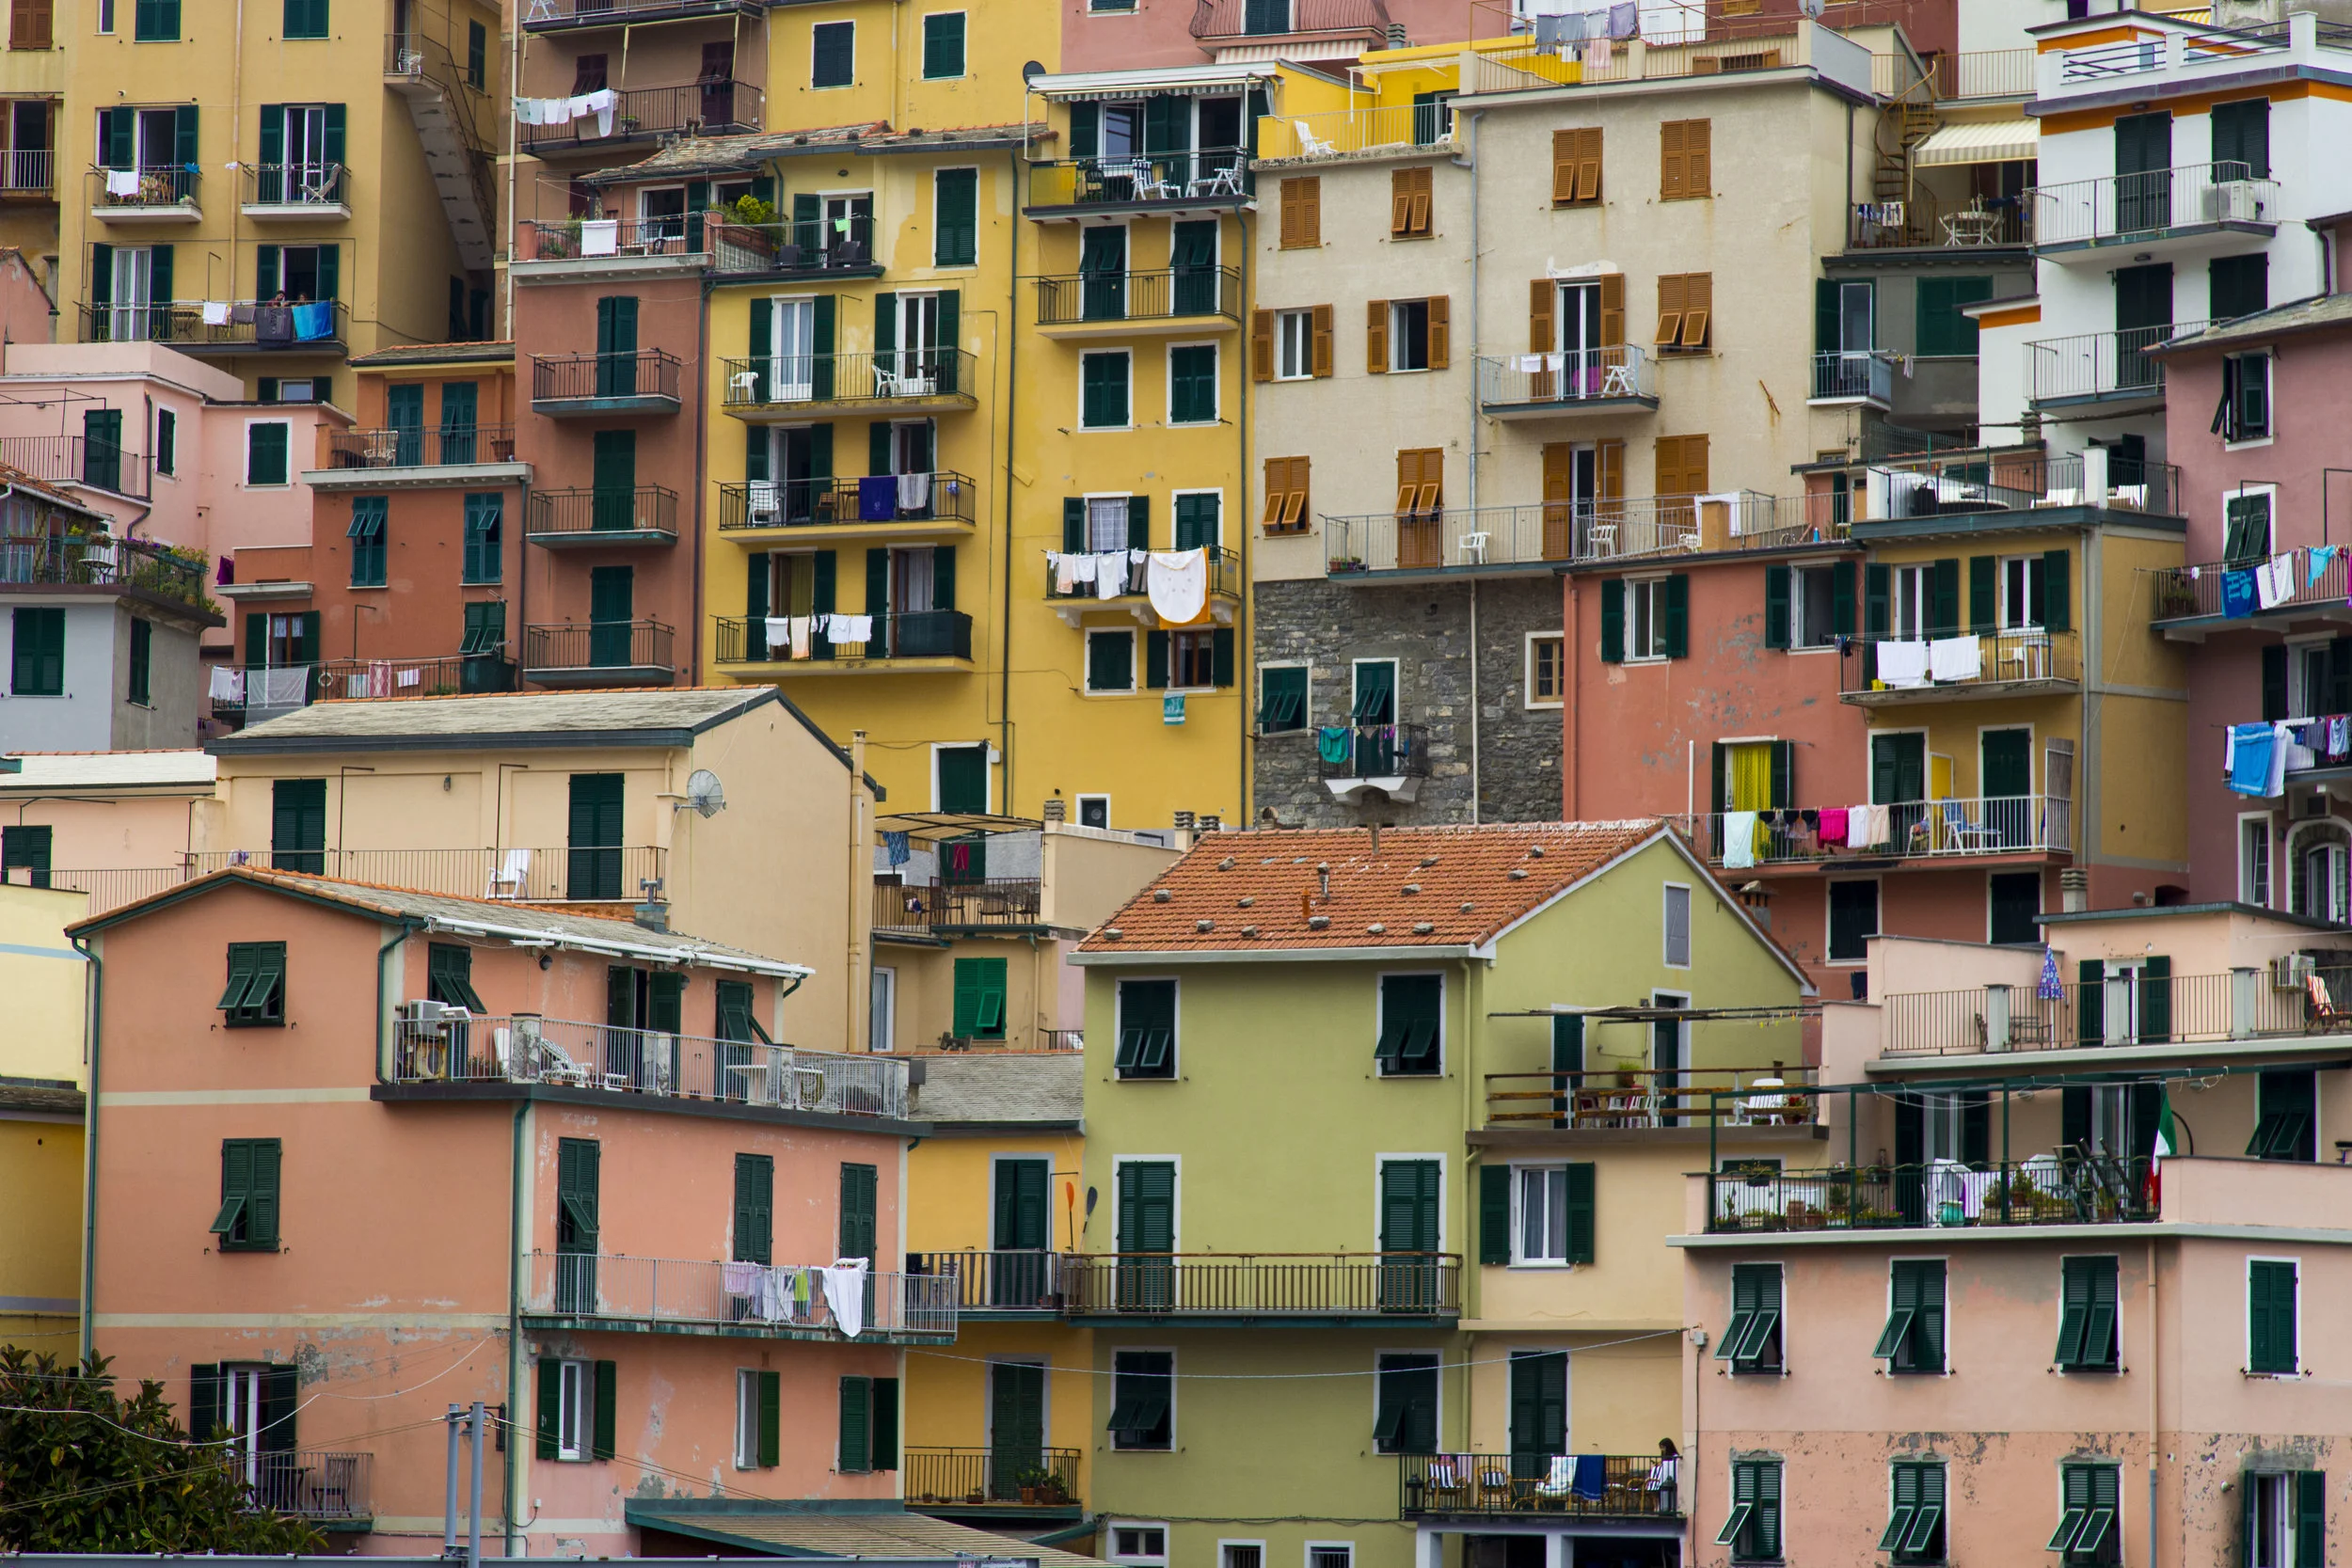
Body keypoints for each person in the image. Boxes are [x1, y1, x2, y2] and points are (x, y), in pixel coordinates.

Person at [1646, 1438, 1679, 1503]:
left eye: (1663, 1448)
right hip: (1660, 1479)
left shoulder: (1675, 1457)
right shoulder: (1664, 1457)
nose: (1662, 1450)